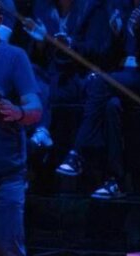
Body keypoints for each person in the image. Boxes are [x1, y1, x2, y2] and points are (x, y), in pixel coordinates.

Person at [55, 0, 140, 198]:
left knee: (101, 82)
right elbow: (109, 55)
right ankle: (117, 180)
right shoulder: (123, 6)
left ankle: (78, 152)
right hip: (124, 75)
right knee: (111, 105)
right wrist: (116, 35)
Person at [0, 0, 42, 256]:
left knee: (9, 252)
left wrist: (18, 112)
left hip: (5, 177)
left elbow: (35, 109)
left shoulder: (12, 57)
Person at [24, 0, 127, 150]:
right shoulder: (42, 7)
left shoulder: (92, 8)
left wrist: (71, 46)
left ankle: (42, 131)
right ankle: (41, 132)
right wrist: (41, 43)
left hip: (78, 74)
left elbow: (98, 51)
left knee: (48, 88)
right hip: (51, 72)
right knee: (28, 71)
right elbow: (39, 58)